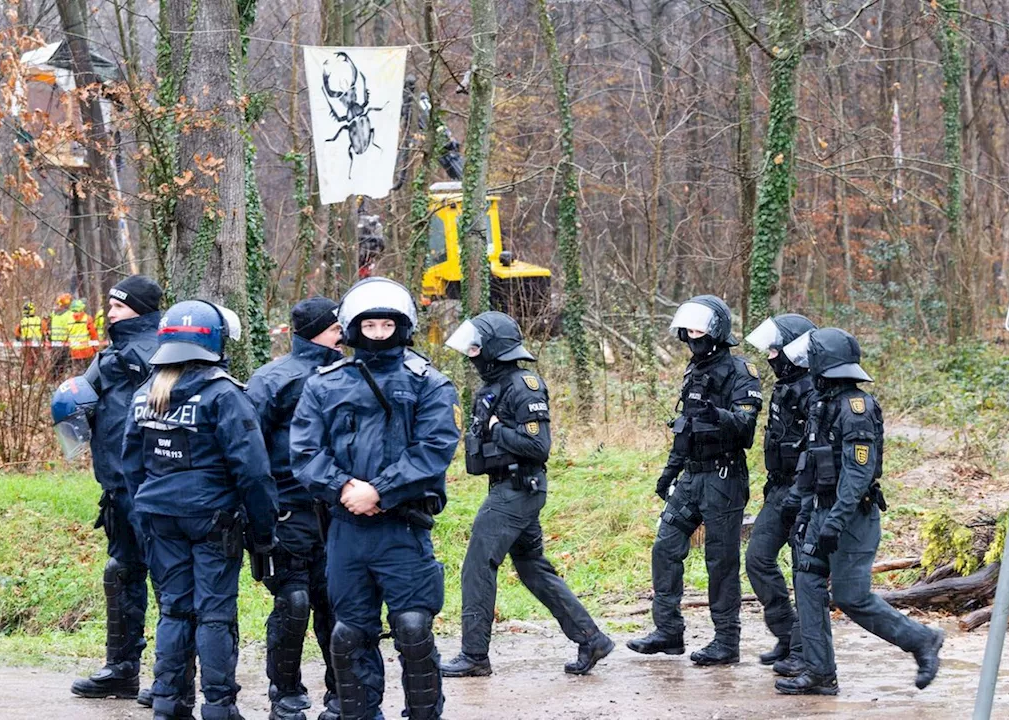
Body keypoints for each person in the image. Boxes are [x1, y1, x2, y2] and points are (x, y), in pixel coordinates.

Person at [291, 277, 459, 720]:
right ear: (351, 328)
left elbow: (435, 448)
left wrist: (380, 490)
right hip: (346, 530)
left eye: (388, 325)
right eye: (371, 326)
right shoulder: (323, 384)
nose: (379, 333)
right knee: (349, 635)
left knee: (413, 627)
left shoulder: (430, 384)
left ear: (402, 327)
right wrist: (345, 489)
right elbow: (305, 452)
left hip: (402, 527)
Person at [123, 299, 278, 720]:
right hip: (214, 521)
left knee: (173, 609)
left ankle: (169, 705)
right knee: (214, 614)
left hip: (158, 518)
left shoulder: (145, 395)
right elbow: (253, 472)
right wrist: (263, 532)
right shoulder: (224, 395)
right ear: (216, 340)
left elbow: (130, 465)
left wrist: (148, 509)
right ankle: (219, 706)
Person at [439, 312, 614, 679]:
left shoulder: (524, 385)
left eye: (476, 347)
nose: (471, 355)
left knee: (477, 565)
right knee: (533, 568)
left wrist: (497, 429)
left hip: (519, 489)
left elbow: (538, 445)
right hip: (509, 486)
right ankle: (591, 638)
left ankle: (474, 655)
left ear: (494, 349)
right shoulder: (495, 386)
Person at [776, 328, 943, 696]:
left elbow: (858, 472)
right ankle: (820, 673)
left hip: (852, 518)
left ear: (826, 364)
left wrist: (834, 520)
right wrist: (804, 512)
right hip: (822, 512)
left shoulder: (857, 408)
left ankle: (922, 639)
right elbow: (812, 466)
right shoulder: (821, 404)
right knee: (806, 584)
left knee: (852, 597)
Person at [627, 295, 762, 666]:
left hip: (725, 476)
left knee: (720, 561)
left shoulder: (741, 372)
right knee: (665, 547)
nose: (692, 334)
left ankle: (726, 640)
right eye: (688, 329)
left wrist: (717, 413)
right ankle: (668, 631)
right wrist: (670, 471)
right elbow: (684, 431)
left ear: (717, 329)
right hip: (692, 474)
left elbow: (746, 426)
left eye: (699, 328)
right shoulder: (694, 371)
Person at [60, 275, 165, 704]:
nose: (110, 313)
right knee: (121, 574)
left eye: (118, 307)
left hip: (159, 491)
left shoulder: (164, 354)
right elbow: (79, 412)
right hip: (118, 489)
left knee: (170, 582)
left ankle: (172, 677)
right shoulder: (109, 357)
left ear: (139, 309)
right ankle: (121, 669)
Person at [246, 297, 344, 720]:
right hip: (287, 509)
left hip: (340, 509)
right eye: (335, 326)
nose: (343, 332)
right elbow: (248, 452)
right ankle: (284, 690)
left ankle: (343, 692)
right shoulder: (272, 379)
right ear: (317, 331)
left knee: (337, 604)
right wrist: (258, 515)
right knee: (295, 600)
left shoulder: (351, 374)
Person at [743, 314, 817, 668]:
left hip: (806, 493)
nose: (770, 355)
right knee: (757, 558)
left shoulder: (815, 389)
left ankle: (804, 651)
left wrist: (801, 493)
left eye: (776, 348)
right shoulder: (784, 386)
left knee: (805, 572)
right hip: (778, 490)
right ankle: (786, 634)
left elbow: (816, 450)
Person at [16, 301, 49, 371]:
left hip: (26, 344)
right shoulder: (39, 320)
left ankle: (29, 376)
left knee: (28, 362)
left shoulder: (22, 321)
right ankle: (42, 374)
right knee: (40, 361)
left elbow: (17, 334)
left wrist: (19, 338)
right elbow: (45, 330)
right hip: (38, 343)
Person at [68, 298, 100, 368]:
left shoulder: (68, 319)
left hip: (74, 351)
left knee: (78, 371)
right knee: (88, 371)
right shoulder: (87, 318)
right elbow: (93, 334)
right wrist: (96, 347)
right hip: (87, 350)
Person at [51, 292, 74, 377]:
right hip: (65, 343)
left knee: (56, 364)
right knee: (66, 363)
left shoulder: (54, 313)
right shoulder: (69, 314)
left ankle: (54, 379)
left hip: (55, 343)